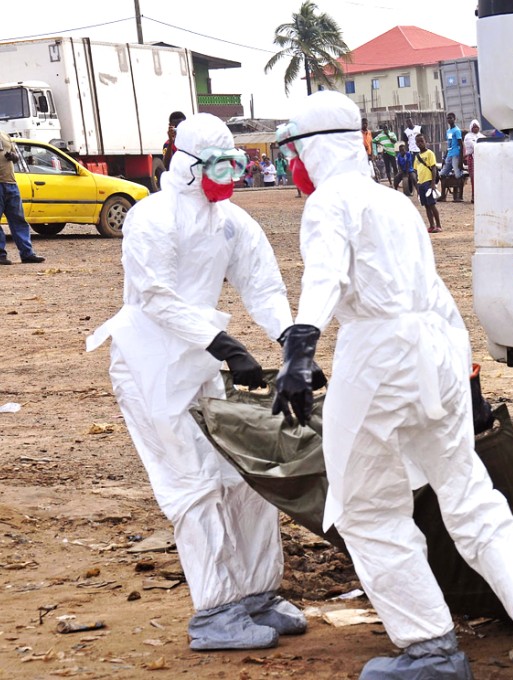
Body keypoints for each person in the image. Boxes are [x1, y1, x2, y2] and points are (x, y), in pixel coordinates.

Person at [271, 90, 513, 680]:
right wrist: (465, 378)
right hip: (435, 353)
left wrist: (299, 346)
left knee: (368, 510)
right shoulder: (393, 203)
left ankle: (432, 651)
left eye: (293, 150)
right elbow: (437, 295)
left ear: (310, 150)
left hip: (379, 357)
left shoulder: (329, 204)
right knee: (469, 493)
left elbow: (325, 276)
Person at [85, 113, 318, 652]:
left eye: (233, 162)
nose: (227, 174)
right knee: (193, 485)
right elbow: (155, 296)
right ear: (187, 164)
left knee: (243, 476)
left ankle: (258, 594)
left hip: (201, 367)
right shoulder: (151, 217)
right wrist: (228, 346)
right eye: (216, 164)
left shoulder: (232, 221)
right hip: (152, 367)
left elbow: (262, 286)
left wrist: (292, 345)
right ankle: (215, 613)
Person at [0, 130, 45, 265]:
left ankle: (27, 254)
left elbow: (17, 156)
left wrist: (13, 156)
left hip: (11, 184)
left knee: (19, 220)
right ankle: (1, 255)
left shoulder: (5, 135)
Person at [413, 133, 442, 233]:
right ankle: (431, 225)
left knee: (432, 205)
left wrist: (433, 183)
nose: (420, 143)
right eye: (418, 142)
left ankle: (438, 225)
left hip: (428, 183)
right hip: (421, 183)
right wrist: (417, 186)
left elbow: (433, 168)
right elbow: (416, 171)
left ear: (425, 141)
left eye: (422, 141)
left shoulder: (430, 153)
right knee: (426, 205)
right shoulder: (417, 157)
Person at [438, 113, 464, 201]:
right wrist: (444, 157)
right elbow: (449, 144)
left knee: (458, 174)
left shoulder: (457, 131)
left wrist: (461, 159)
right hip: (449, 155)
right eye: (448, 118)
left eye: (451, 118)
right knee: (442, 174)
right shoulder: (448, 131)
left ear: (454, 119)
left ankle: (460, 197)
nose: (449, 120)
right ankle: (443, 196)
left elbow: (461, 145)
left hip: (456, 154)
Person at [462, 119, 484, 204]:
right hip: (472, 159)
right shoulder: (468, 136)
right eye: (474, 127)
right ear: (471, 128)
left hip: (481, 159)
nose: (475, 128)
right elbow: (474, 146)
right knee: (474, 178)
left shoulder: (481, 136)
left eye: (477, 127)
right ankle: (474, 197)